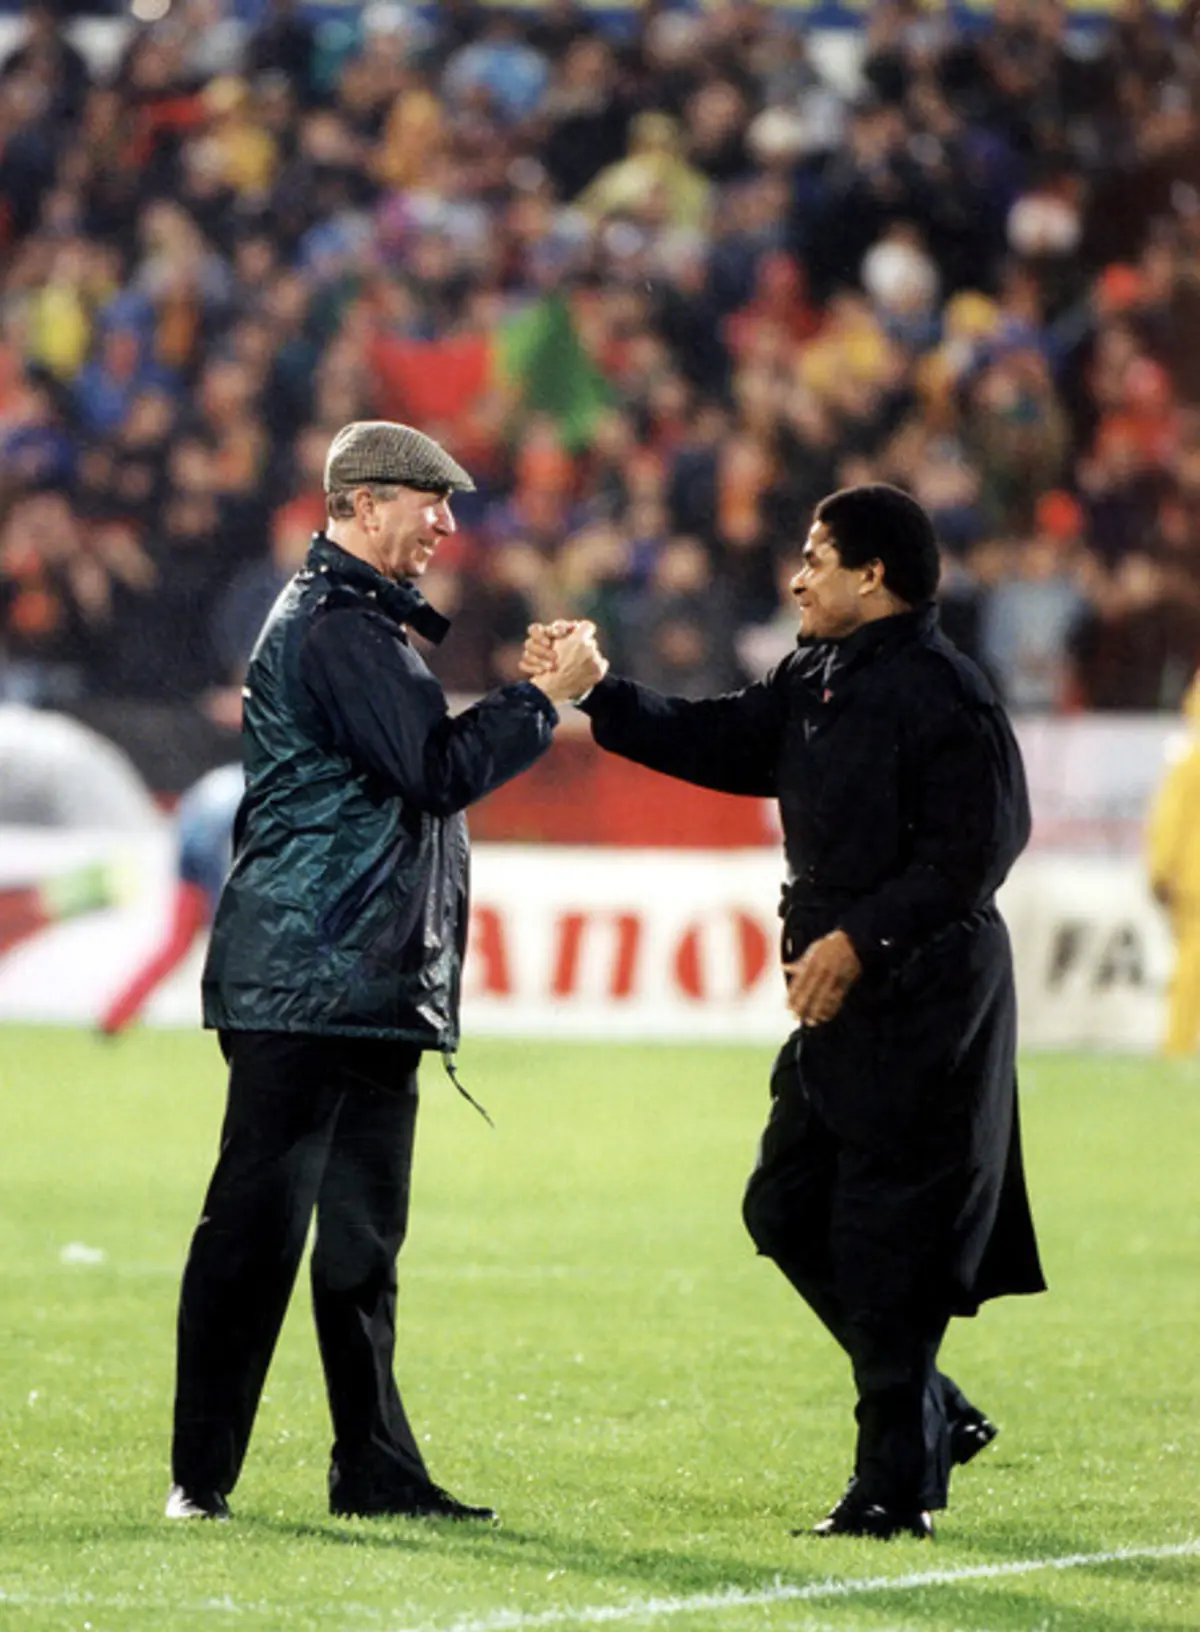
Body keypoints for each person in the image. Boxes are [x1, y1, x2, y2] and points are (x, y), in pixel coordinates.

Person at [523, 483, 1045, 1540]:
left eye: (817, 557)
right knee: (786, 1205)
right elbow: (718, 744)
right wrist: (598, 692)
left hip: (926, 1000)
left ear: (875, 577)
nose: (798, 576)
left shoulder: (948, 694)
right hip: (835, 995)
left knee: (886, 1232)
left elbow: (977, 854)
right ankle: (931, 1407)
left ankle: (893, 1493)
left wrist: (860, 939)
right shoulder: (816, 676)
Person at [166, 420, 605, 1523]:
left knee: (358, 1244)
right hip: (312, 983)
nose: (447, 525)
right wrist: (542, 699)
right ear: (364, 506)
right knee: (259, 1235)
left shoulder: (355, 625)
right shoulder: (339, 630)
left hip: (353, 984)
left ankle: (373, 1470)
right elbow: (435, 771)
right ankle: (201, 1480)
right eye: (429, 502)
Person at [98, 762, 243, 1036]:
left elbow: (187, 829)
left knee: (174, 948)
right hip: (216, 878)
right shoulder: (248, 786)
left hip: (190, 876)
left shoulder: (219, 781)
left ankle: (114, 1017)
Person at [1146, 669, 1200, 1056]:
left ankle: (1178, 1047)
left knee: (1190, 968)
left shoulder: (1188, 756)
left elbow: (1170, 818)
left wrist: (1159, 872)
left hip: (1193, 878)